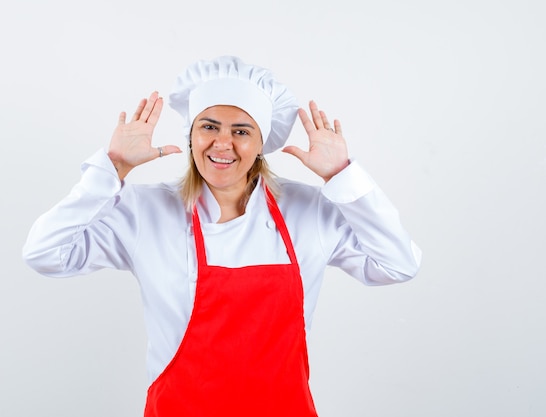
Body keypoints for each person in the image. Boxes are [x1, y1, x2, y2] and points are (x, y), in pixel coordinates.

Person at [23, 56, 422, 416]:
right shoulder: (146, 212)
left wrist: (343, 178)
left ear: (262, 143)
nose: (222, 143)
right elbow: (44, 253)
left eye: (242, 131)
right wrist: (111, 169)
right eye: (209, 126)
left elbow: (399, 264)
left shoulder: (308, 211)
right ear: (191, 134)